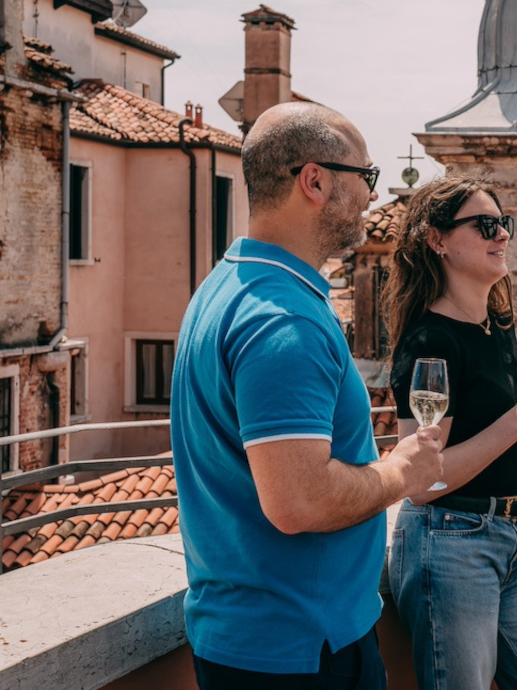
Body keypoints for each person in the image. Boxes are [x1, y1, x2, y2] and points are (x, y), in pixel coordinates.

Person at [170, 102, 446, 690]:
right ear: (314, 181)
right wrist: (401, 471)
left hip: (248, 637)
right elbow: (298, 501)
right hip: (300, 649)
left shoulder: (225, 287)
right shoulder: (283, 321)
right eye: (365, 178)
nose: (374, 196)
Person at [382, 175, 517, 690]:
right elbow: (425, 479)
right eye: (484, 225)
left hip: (512, 537)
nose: (501, 235)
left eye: (504, 223)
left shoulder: (494, 325)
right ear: (437, 240)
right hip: (450, 540)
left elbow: (510, 426)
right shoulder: (430, 343)